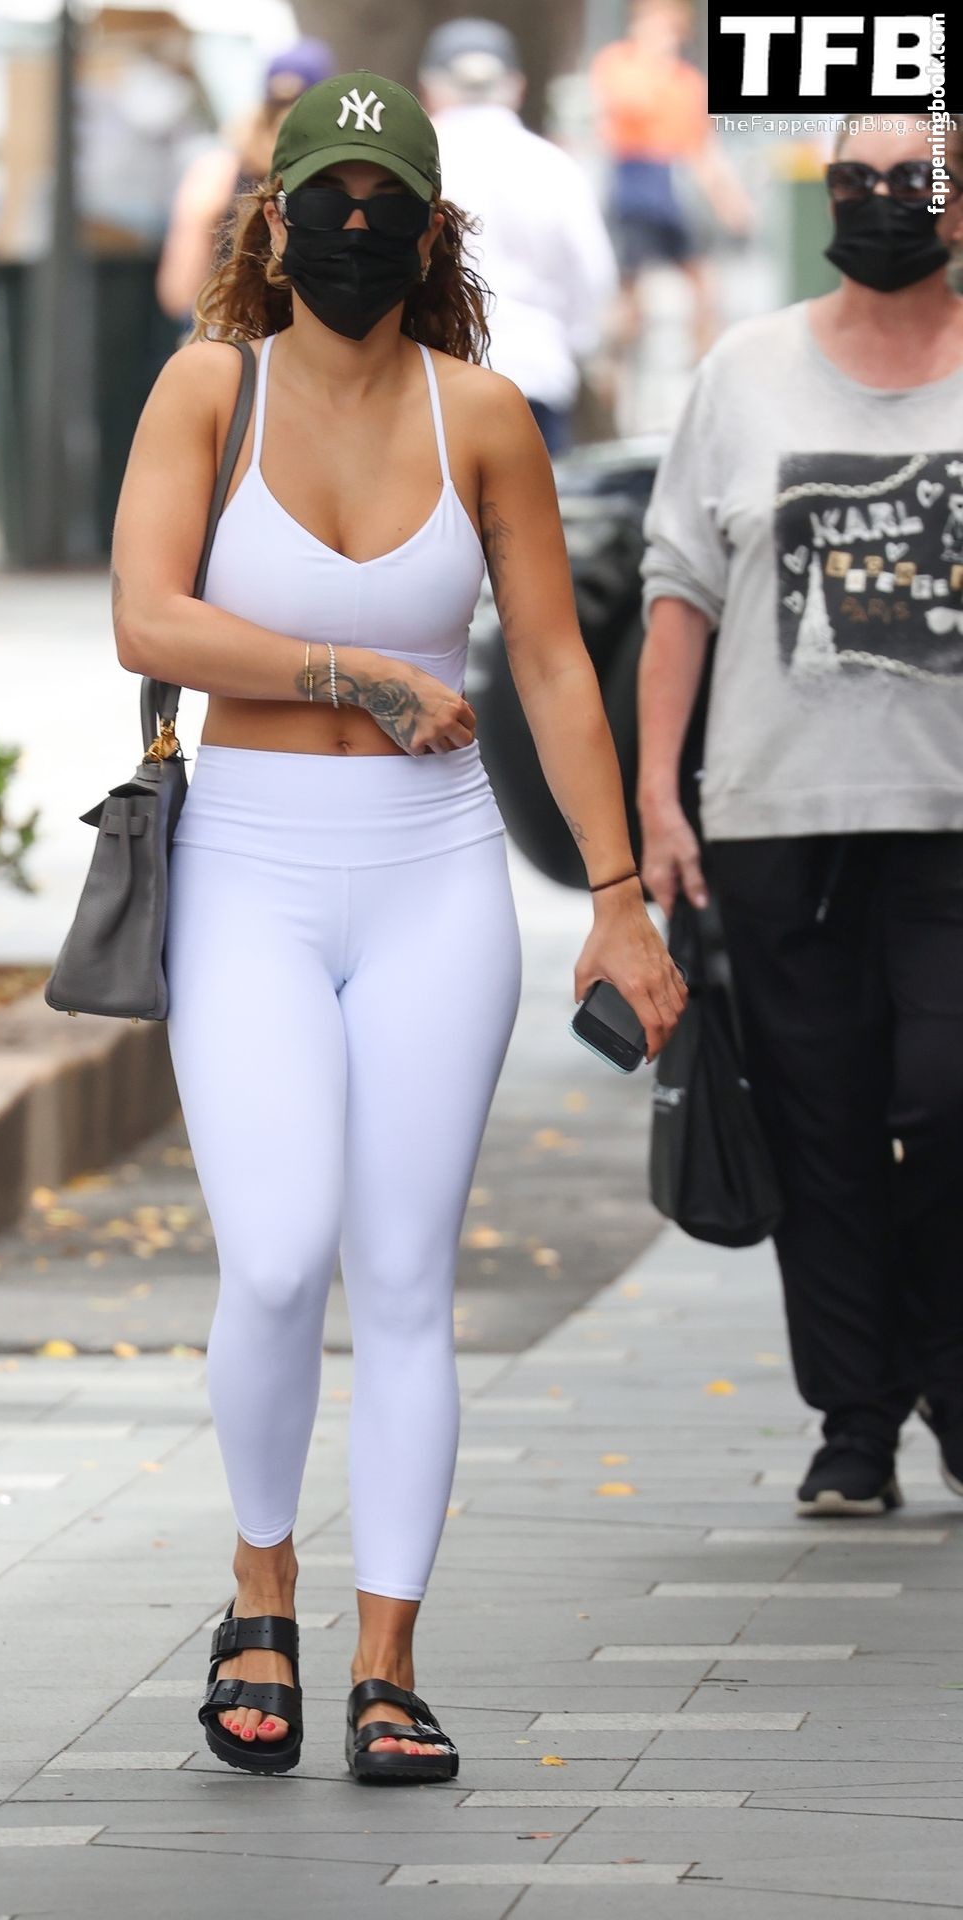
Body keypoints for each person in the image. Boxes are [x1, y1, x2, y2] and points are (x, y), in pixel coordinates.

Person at [113, 68, 685, 1781]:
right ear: (272, 218)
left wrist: (619, 906)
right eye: (327, 199)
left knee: (411, 1277)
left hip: (435, 873)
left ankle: (388, 1661)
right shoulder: (208, 387)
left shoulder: (483, 416)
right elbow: (147, 619)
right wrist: (347, 672)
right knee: (281, 1255)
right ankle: (260, 1588)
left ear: (433, 232)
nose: (354, 228)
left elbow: (555, 666)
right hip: (253, 868)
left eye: (389, 205)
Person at [637, 115, 963, 1517]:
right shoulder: (744, 370)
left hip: (951, 821)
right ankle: (854, 1424)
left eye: (913, 180)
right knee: (819, 1128)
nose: (880, 201)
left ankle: (949, 1378)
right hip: (776, 817)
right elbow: (678, 588)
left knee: (945, 1104)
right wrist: (656, 795)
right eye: (853, 180)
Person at [419, 16, 617, 455]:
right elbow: (594, 273)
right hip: (536, 373)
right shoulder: (554, 165)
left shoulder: (418, 163)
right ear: (517, 86)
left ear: (429, 88)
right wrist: (572, 342)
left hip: (435, 376)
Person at [590, 0, 754, 361]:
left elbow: (704, 149)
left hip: (670, 185)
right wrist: (653, 59)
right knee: (629, 291)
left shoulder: (688, 83)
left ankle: (705, 365)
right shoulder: (618, 63)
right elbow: (626, 104)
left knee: (703, 282)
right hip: (632, 182)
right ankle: (614, 373)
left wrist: (729, 200)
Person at [155, 38, 335, 328]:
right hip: (243, 327)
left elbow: (178, 290)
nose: (285, 120)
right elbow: (178, 289)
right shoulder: (219, 173)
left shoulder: (218, 172)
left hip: (242, 326)